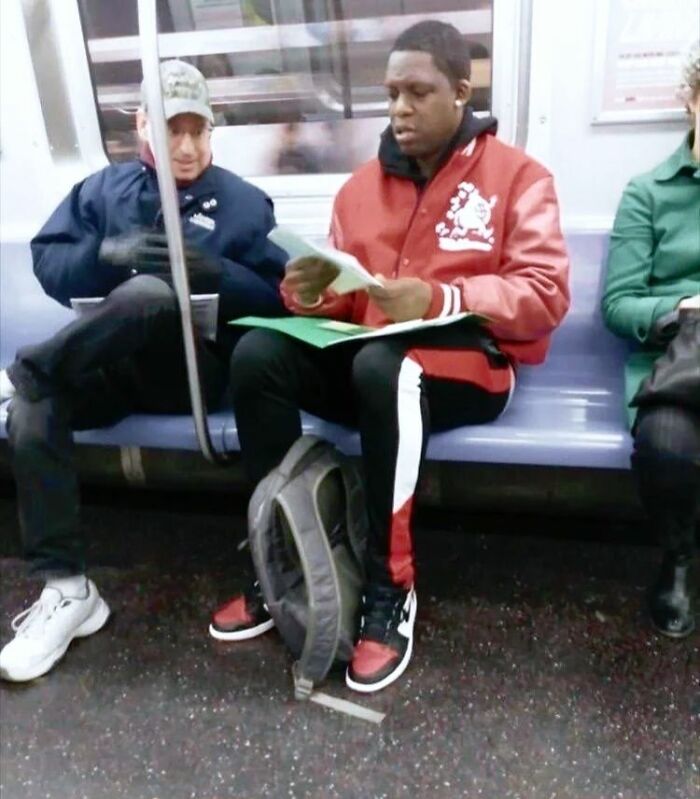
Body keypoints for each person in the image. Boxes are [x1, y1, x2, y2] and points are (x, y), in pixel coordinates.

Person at [209, 21, 570, 693]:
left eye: (418, 93)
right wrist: (311, 294)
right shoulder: (358, 189)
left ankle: (390, 584)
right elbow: (352, 300)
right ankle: (275, 561)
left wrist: (440, 298)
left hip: (472, 364)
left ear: (460, 91)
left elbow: (545, 295)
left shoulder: (519, 179)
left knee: (386, 367)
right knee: (259, 353)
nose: (400, 109)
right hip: (373, 361)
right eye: (391, 94)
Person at [0, 60, 287, 682]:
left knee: (154, 295)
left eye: (197, 131)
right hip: (111, 371)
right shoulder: (102, 192)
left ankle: (25, 369)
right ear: (141, 126)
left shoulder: (241, 203)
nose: (186, 146)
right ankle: (67, 589)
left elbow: (280, 301)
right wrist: (105, 256)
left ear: (211, 132)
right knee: (34, 406)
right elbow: (50, 266)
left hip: (192, 376)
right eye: (170, 129)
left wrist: (219, 275)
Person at [602, 43, 700, 639]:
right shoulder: (649, 193)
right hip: (677, 366)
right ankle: (679, 556)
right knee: (665, 444)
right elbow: (618, 305)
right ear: (693, 101)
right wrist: (682, 308)